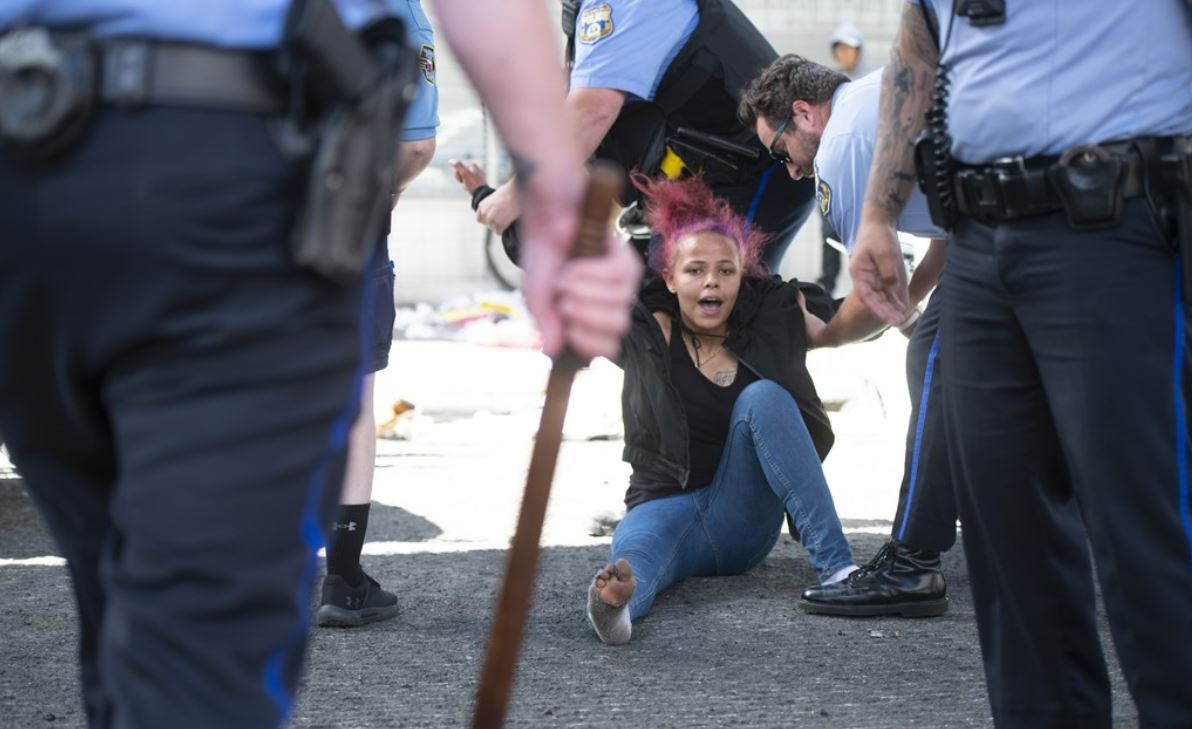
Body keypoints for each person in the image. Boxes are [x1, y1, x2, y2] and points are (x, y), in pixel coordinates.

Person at [0, 1, 639, 727]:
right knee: (194, 652)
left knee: (119, 607)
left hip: (30, 159)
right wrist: (553, 201)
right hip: (228, 176)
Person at [850, 0, 1192, 725]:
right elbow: (920, 38)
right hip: (977, 240)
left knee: (1147, 545)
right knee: (1013, 551)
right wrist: (880, 211)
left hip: (1119, 227)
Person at [458, 166, 858, 644]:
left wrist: (911, 294)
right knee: (632, 560)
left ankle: (839, 571)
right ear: (669, 278)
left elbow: (851, 316)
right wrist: (488, 197)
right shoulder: (641, 329)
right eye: (695, 271)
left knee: (765, 397)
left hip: (741, 519)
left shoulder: (773, 313)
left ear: (740, 276)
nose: (712, 283)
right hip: (662, 504)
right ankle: (616, 613)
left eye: (725, 271)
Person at [738, 54, 950, 617]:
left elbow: (876, 285)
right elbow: (949, 236)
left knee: (934, 360)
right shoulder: (872, 101)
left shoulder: (841, 144)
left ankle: (913, 563)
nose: (790, 171)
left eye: (781, 150)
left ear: (804, 114)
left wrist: (826, 334)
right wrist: (913, 302)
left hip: (1022, 227)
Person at [474, 0, 816, 274]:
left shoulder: (622, 6)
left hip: (752, 171)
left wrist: (518, 193)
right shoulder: (586, 12)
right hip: (699, 180)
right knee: (646, 317)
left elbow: (591, 112)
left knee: (699, 321)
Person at [316, 0, 439, 629]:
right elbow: (416, 146)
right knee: (352, 406)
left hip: (241, 221)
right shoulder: (397, 10)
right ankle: (341, 579)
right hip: (346, 232)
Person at [816, 21, 872, 295]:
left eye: (849, 49)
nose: (844, 54)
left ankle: (866, 290)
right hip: (833, 171)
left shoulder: (871, 83)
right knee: (829, 231)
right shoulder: (827, 85)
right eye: (840, 49)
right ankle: (827, 286)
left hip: (865, 173)